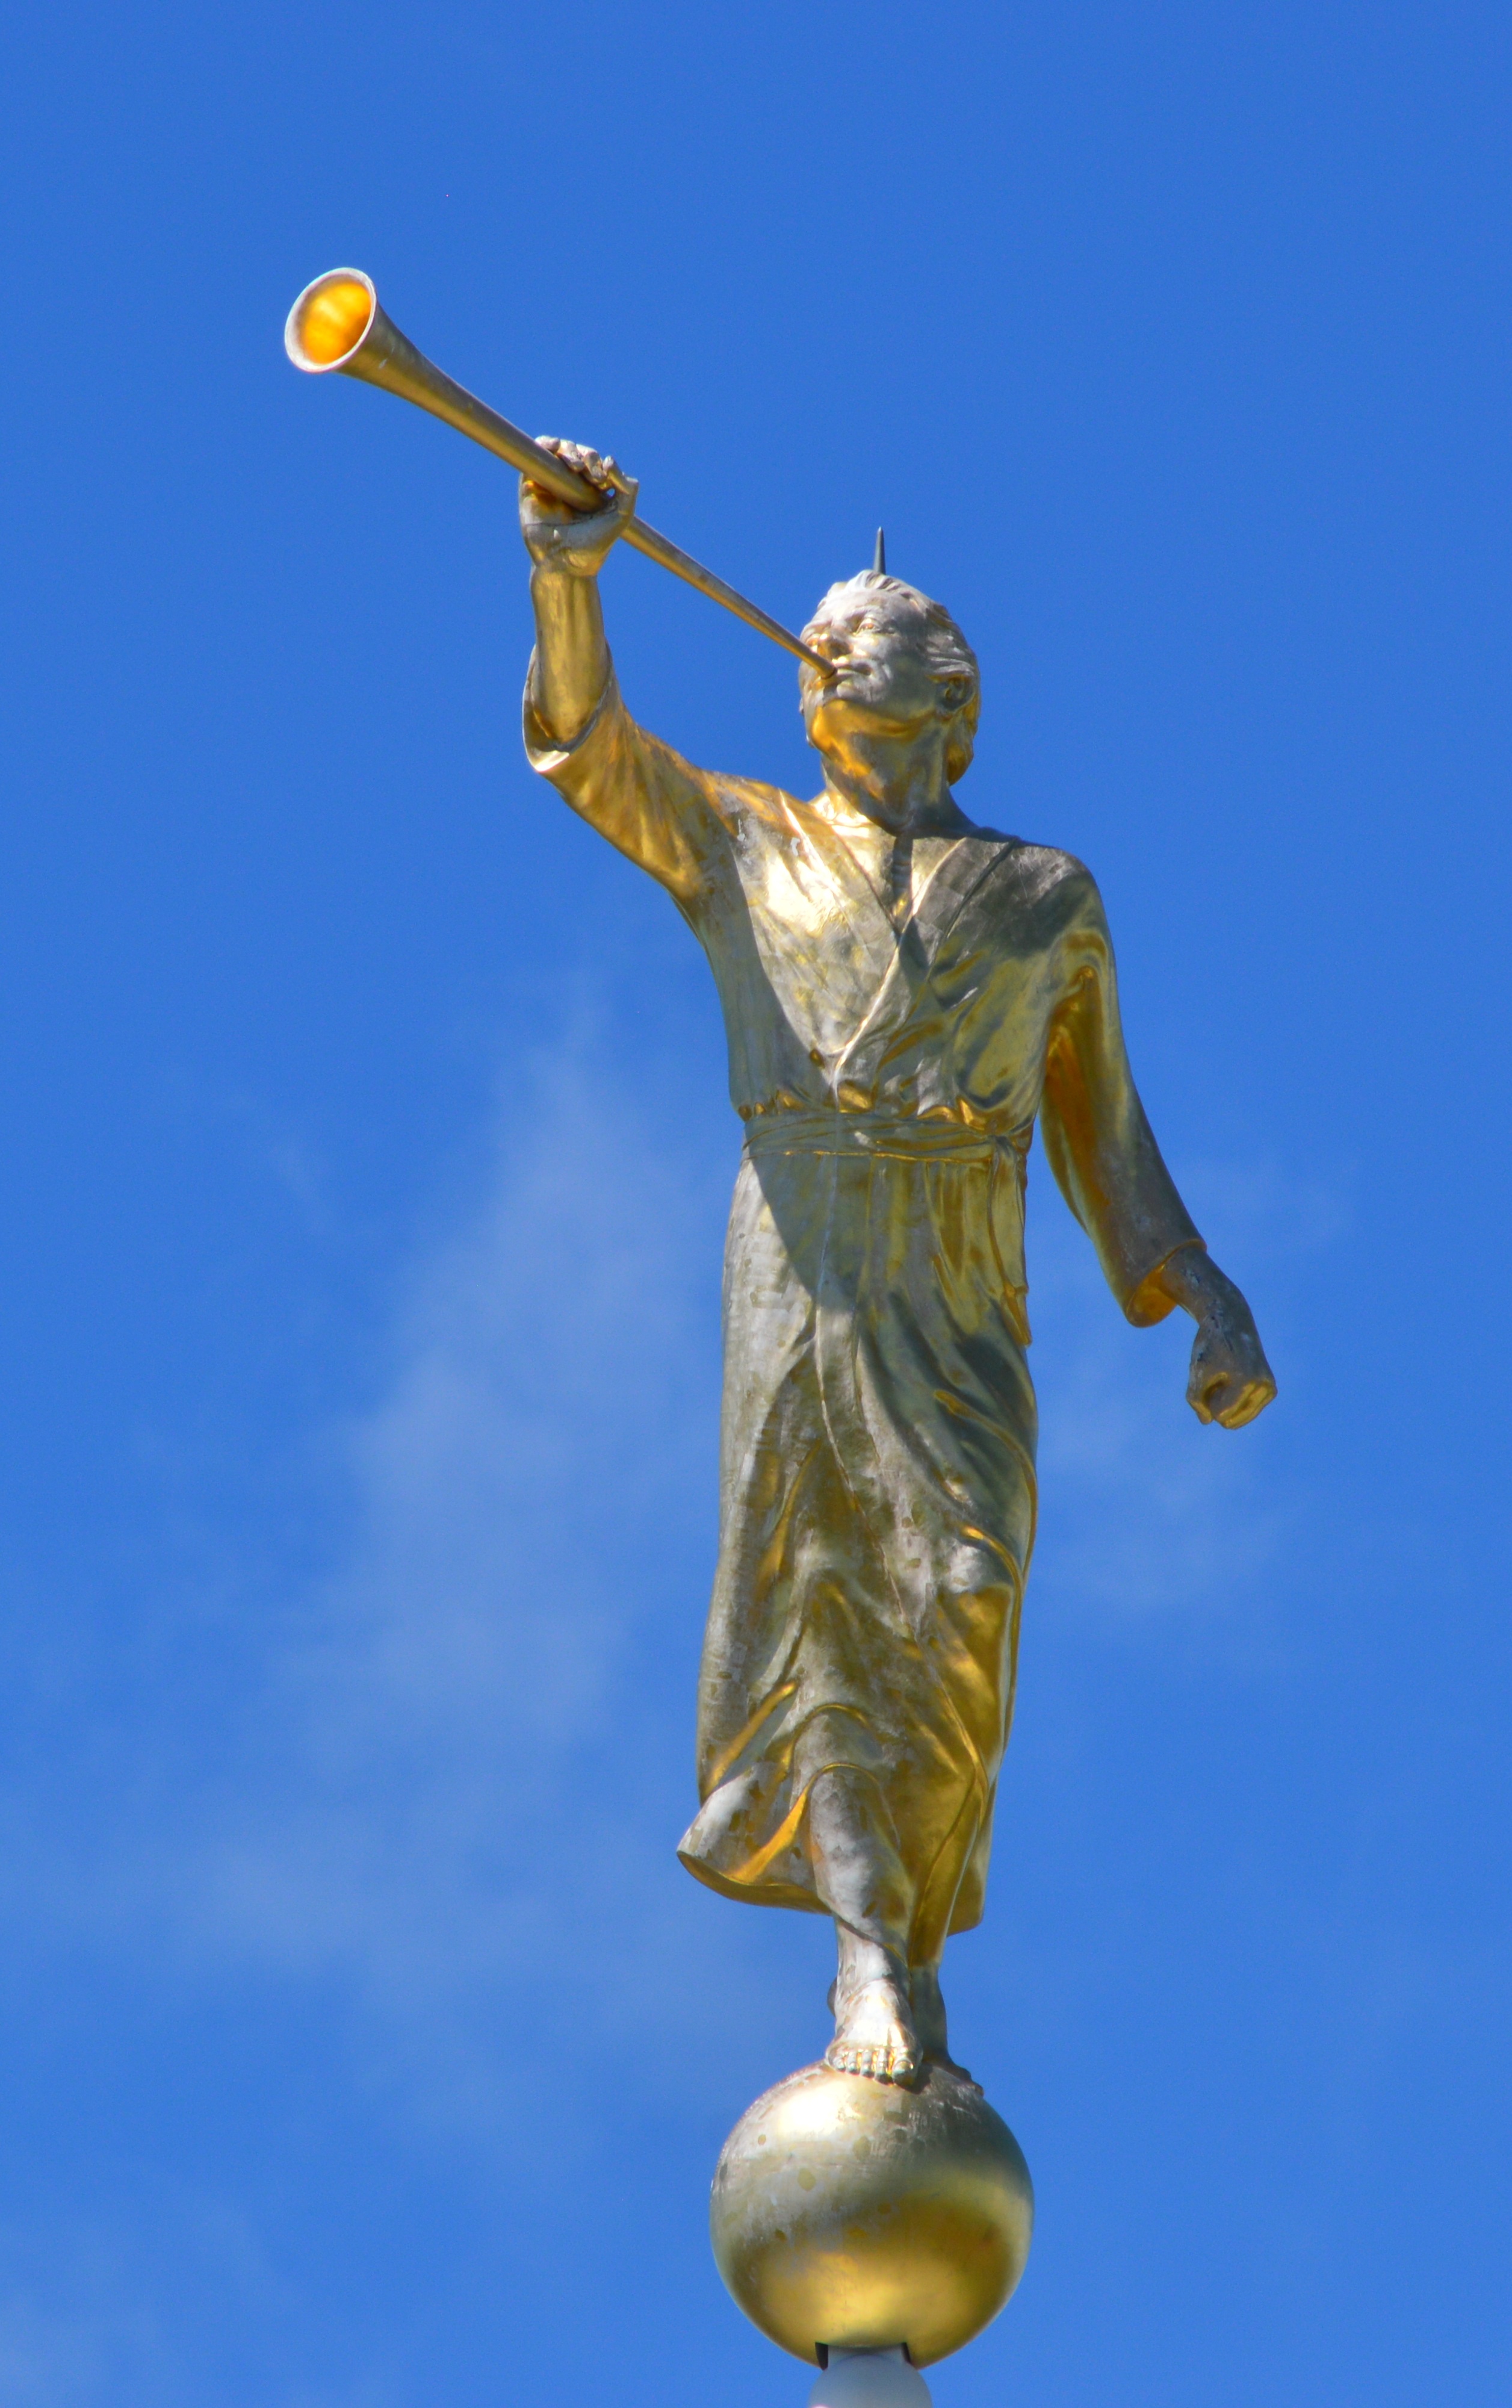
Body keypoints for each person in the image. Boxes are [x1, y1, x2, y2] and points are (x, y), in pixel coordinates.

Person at [517, 438, 1277, 2082]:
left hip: (960, 1260)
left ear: (956, 691)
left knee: (964, 1590)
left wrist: (1200, 1293)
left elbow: (1103, 1129)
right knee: (823, 1592)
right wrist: (569, 580)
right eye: (824, 630)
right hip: (807, 1240)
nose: (836, 638)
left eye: (877, 625)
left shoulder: (1044, 895)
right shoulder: (741, 841)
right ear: (806, 701)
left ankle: (910, 1926)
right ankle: (874, 1961)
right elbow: (590, 751)